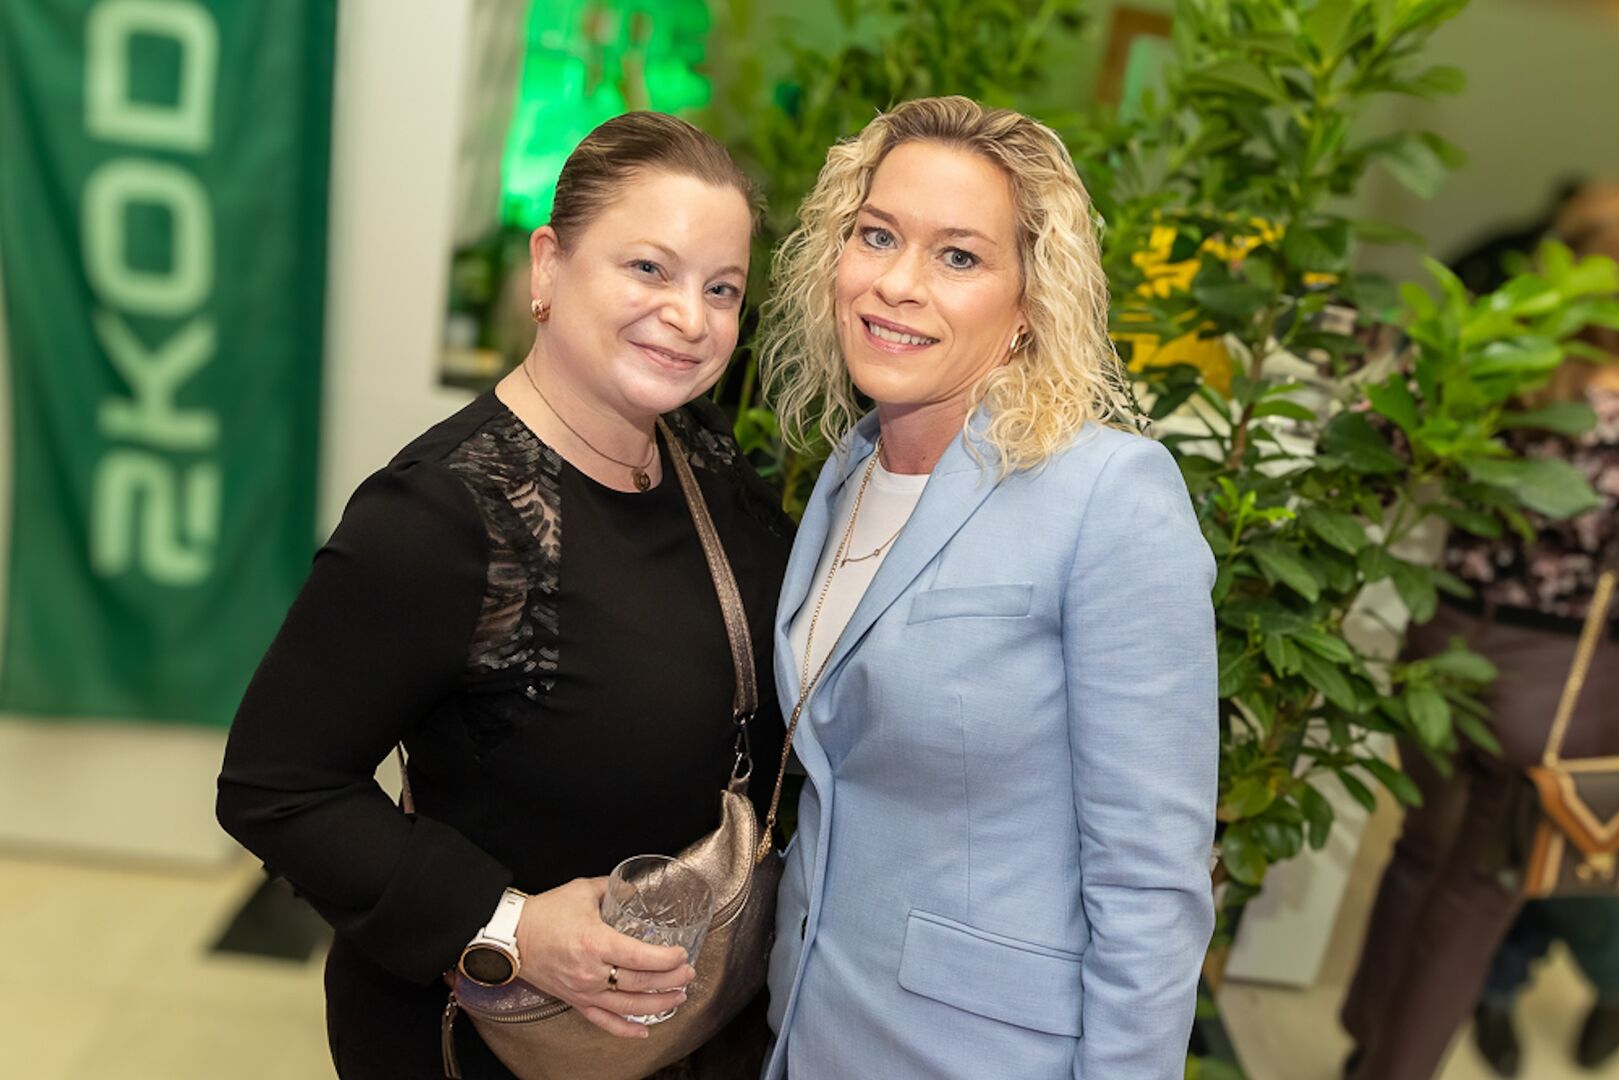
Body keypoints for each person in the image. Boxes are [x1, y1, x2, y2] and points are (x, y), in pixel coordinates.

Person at [217, 112, 793, 1080]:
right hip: (491, 1041)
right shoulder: (443, 516)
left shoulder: (707, 464)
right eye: (647, 269)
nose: (690, 318)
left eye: (720, 288)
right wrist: (507, 924)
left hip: (691, 1033)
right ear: (547, 266)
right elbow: (276, 785)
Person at [755, 96, 1219, 1080]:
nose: (896, 283)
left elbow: (1150, 883)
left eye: (958, 256)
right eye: (876, 236)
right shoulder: (845, 475)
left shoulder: (1107, 494)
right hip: (809, 1027)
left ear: (1027, 303)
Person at [1339, 180, 1619, 1080]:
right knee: (1475, 895)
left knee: (1417, 851)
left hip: (1441, 645)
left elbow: (1372, 447)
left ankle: (1359, 1042)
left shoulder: (1491, 367)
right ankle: (1395, 1070)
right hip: (1555, 683)